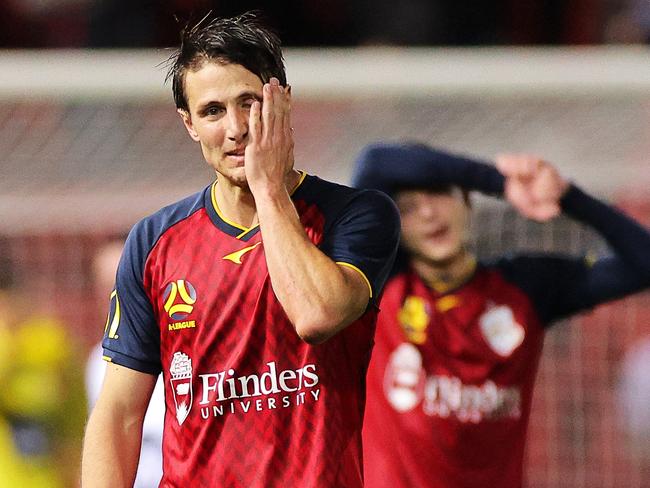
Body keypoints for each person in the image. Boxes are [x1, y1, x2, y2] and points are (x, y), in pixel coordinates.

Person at [81, 12, 400, 488]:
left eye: (249, 103)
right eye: (212, 111)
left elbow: (317, 314)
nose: (235, 128)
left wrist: (269, 190)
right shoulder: (153, 243)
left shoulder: (357, 215)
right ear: (189, 124)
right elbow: (120, 414)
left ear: (283, 102)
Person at [352, 142, 650, 488]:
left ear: (465, 200)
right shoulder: (383, 284)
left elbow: (642, 263)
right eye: (409, 208)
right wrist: (499, 181)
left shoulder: (525, 288)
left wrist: (567, 195)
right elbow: (375, 163)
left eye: (439, 196)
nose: (429, 214)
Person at [84, 239, 164, 488]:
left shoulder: (176, 350)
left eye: (119, 284)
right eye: (105, 286)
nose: (114, 295)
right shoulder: (97, 361)